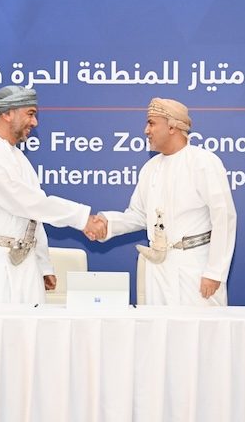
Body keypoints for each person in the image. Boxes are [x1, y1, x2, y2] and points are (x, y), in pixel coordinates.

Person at [86, 98, 237, 306]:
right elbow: (139, 215)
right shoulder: (150, 168)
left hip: (196, 269)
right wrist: (106, 224)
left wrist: (214, 272)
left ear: (172, 126)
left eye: (151, 123)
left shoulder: (204, 162)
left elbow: (224, 218)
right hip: (157, 270)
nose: (146, 130)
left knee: (200, 335)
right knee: (160, 335)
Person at [0, 85, 95, 303]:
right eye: (30, 114)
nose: (35, 122)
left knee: (27, 334)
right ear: (8, 113)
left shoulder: (19, 158)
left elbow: (33, 217)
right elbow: (25, 202)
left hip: (24, 265)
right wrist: (82, 219)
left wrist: (43, 263)